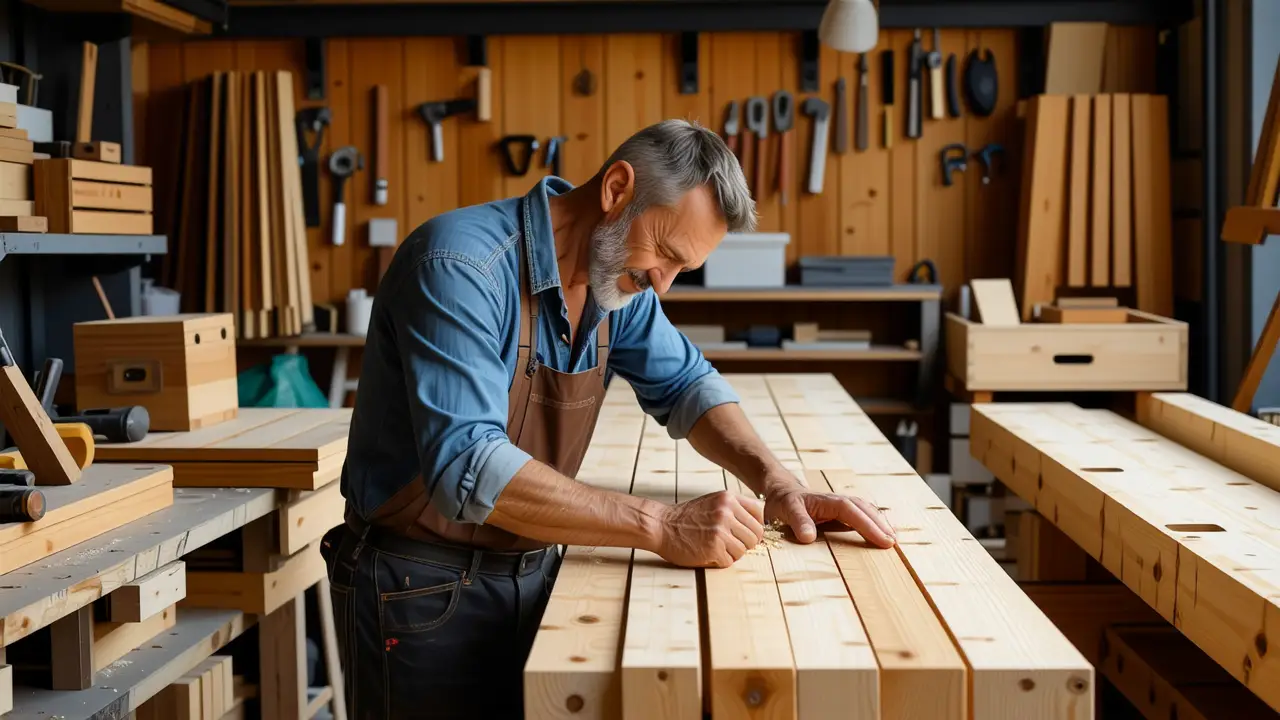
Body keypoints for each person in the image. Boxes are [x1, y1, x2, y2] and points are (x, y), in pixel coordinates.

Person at [320, 119, 897, 719]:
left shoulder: (613, 285)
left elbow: (688, 386)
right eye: (666, 255)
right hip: (418, 589)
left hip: (534, 572)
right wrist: (661, 525)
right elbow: (467, 466)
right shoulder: (460, 265)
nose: (662, 285)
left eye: (683, 269)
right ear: (617, 189)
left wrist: (778, 482)